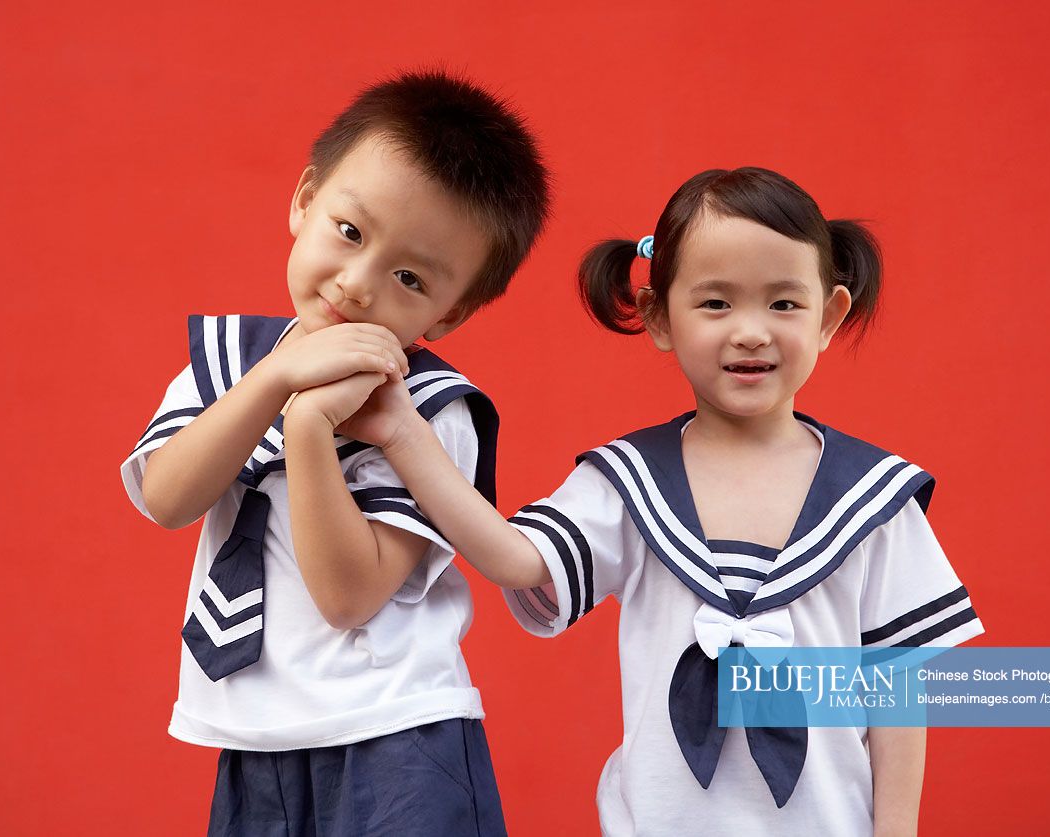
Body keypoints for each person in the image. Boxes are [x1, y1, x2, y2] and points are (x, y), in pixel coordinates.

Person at [320, 167, 984, 835]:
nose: (750, 331)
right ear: (659, 317)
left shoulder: (873, 498)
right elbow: (516, 558)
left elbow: (895, 691)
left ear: (828, 316)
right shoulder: (629, 480)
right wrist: (404, 432)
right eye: (715, 303)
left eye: (783, 304)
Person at [120, 70, 549, 836]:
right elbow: (167, 499)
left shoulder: (425, 410)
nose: (356, 285)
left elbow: (349, 595)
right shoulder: (227, 361)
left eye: (408, 277)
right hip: (255, 736)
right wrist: (277, 380)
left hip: (397, 740)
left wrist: (312, 428)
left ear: (447, 313)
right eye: (350, 232)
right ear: (304, 199)